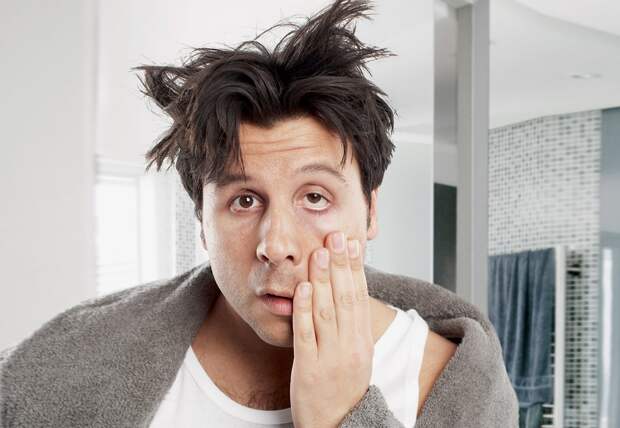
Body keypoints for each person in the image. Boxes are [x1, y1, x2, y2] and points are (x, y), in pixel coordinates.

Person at [0, 0, 518, 426]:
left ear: (370, 211)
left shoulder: (447, 381)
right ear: (202, 222)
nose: (277, 245)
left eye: (315, 198)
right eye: (244, 200)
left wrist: (342, 416)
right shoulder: (71, 369)